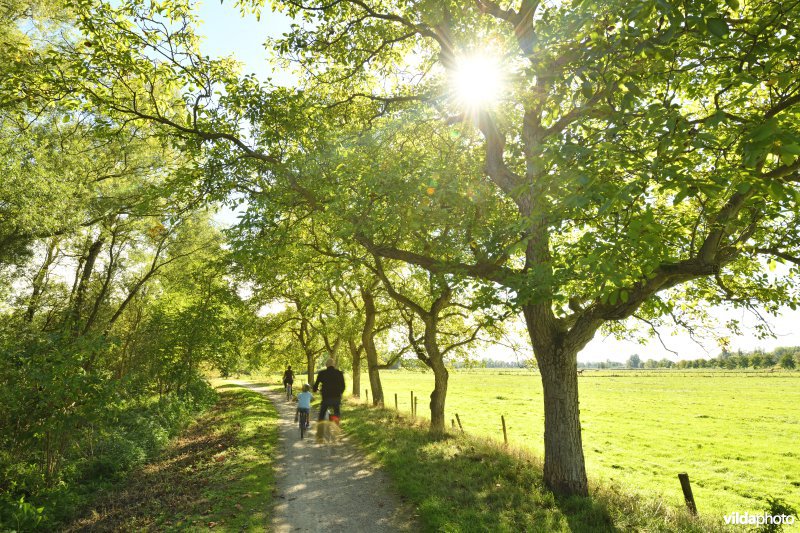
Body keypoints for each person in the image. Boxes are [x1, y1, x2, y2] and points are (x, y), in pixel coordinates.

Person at [313, 357, 345, 422]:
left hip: (326, 397)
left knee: (322, 414)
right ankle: (336, 425)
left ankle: (320, 429)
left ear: (326, 365)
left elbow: (316, 384)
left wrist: (315, 389)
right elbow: (343, 386)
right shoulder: (339, 373)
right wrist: (340, 392)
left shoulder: (322, 373)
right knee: (337, 412)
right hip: (336, 397)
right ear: (334, 365)